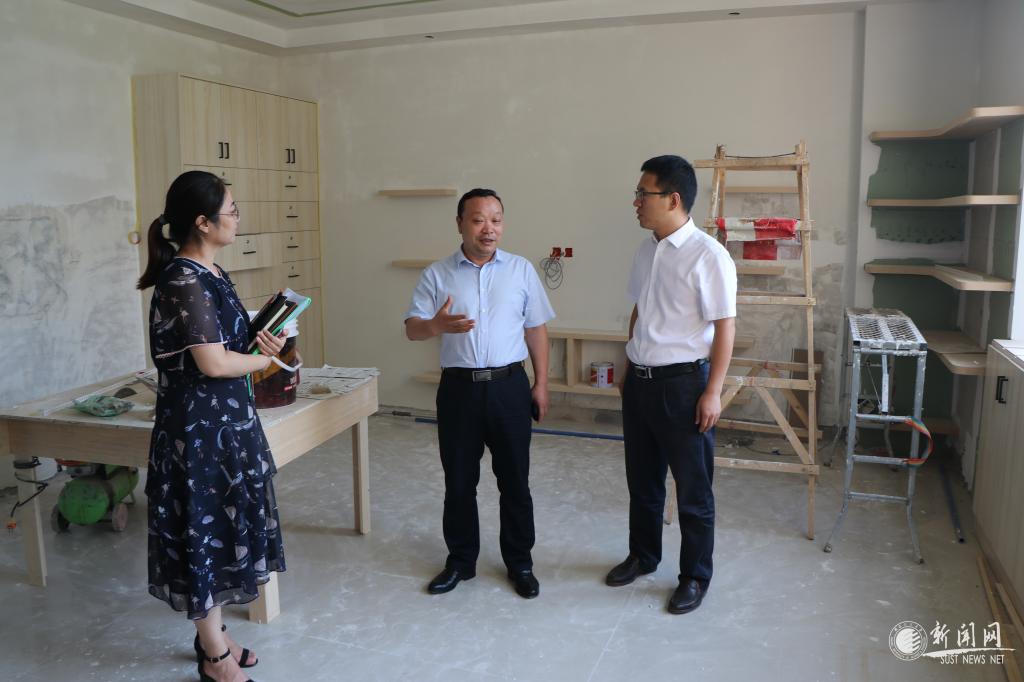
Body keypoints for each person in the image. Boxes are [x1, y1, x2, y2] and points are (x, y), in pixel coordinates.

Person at [137, 170, 287, 682]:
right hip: (198, 434)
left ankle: (213, 638)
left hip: (226, 425)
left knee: (221, 531)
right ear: (203, 222)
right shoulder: (183, 279)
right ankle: (215, 657)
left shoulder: (212, 272)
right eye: (232, 211)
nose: (238, 218)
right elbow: (214, 363)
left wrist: (261, 341)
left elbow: (227, 348)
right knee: (203, 533)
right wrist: (264, 362)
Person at [405, 188, 555, 599]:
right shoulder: (437, 274)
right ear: (460, 224)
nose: (489, 228)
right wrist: (436, 325)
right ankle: (460, 561)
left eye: (496, 220)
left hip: (510, 387)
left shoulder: (521, 270)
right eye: (478, 220)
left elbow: (536, 328)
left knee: (515, 481)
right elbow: (413, 329)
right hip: (459, 391)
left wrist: (541, 384)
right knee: (459, 481)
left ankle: (520, 563)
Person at [605, 155, 736, 615]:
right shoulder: (647, 250)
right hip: (641, 383)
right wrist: (628, 363)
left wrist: (713, 391)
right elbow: (640, 310)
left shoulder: (708, 255)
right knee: (643, 481)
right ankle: (643, 555)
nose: (636, 202)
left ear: (673, 199)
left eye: (644, 194)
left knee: (693, 490)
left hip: (683, 387)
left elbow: (725, 326)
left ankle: (695, 576)